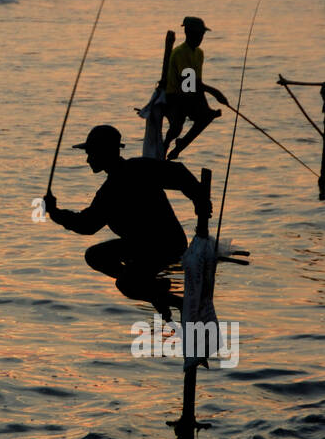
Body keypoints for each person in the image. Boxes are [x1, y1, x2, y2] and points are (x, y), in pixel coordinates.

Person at [44, 124, 210, 321]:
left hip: (165, 244)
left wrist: (200, 200)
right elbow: (87, 224)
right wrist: (199, 199)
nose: (88, 159)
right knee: (96, 256)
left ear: (104, 152)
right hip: (143, 245)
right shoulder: (125, 177)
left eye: (91, 153)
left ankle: (173, 301)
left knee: (125, 284)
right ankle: (150, 287)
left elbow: (86, 225)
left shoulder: (128, 177)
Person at [162, 16, 228, 160]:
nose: (200, 37)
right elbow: (188, 83)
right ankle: (166, 145)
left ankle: (180, 146)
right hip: (175, 95)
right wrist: (215, 93)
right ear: (188, 33)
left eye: (202, 34)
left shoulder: (199, 54)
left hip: (190, 93)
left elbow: (197, 83)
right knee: (177, 126)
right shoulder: (180, 53)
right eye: (198, 34)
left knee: (206, 116)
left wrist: (207, 105)